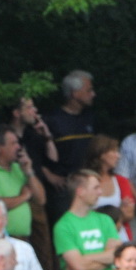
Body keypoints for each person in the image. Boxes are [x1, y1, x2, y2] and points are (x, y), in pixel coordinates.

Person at [41, 70, 97, 203]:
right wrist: (49, 176)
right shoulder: (52, 120)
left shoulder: (90, 118)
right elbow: (34, 153)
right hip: (63, 189)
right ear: (75, 93)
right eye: (89, 90)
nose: (93, 94)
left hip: (88, 185)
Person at [0, 125, 39, 241]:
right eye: (13, 143)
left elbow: (41, 199)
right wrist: (24, 196)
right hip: (2, 238)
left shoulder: (19, 168)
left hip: (25, 237)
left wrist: (29, 172)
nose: (18, 147)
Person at [85, 135, 136, 240]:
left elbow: (130, 214)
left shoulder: (121, 181)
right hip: (93, 237)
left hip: (120, 237)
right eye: (114, 152)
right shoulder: (85, 181)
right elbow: (82, 214)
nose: (118, 156)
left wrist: (100, 214)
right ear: (101, 154)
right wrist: (119, 212)